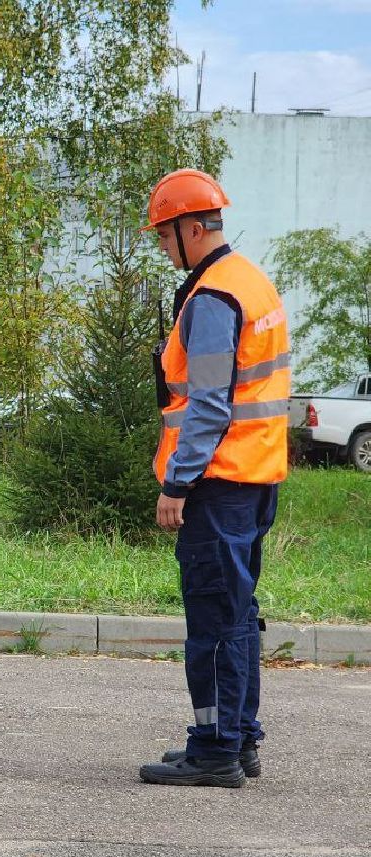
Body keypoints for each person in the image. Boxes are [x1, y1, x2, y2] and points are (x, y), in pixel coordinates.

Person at [136, 169, 289, 788]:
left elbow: (207, 402)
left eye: (165, 237)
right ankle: (237, 737)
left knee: (215, 618)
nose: (163, 249)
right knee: (238, 612)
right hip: (254, 477)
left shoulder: (212, 298)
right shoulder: (250, 281)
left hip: (218, 481)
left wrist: (177, 483)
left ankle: (216, 749)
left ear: (191, 228)